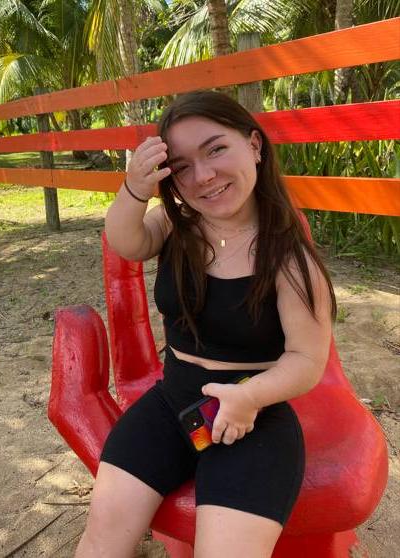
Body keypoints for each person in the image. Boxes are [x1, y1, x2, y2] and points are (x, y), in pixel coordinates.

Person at [75, 91, 336, 558]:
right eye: (182, 166)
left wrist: (249, 396)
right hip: (169, 405)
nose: (204, 176)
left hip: (250, 419)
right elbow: (125, 242)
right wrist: (134, 189)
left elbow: (307, 360)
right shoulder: (178, 224)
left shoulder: (288, 258)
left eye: (216, 149)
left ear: (254, 145)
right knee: (100, 542)